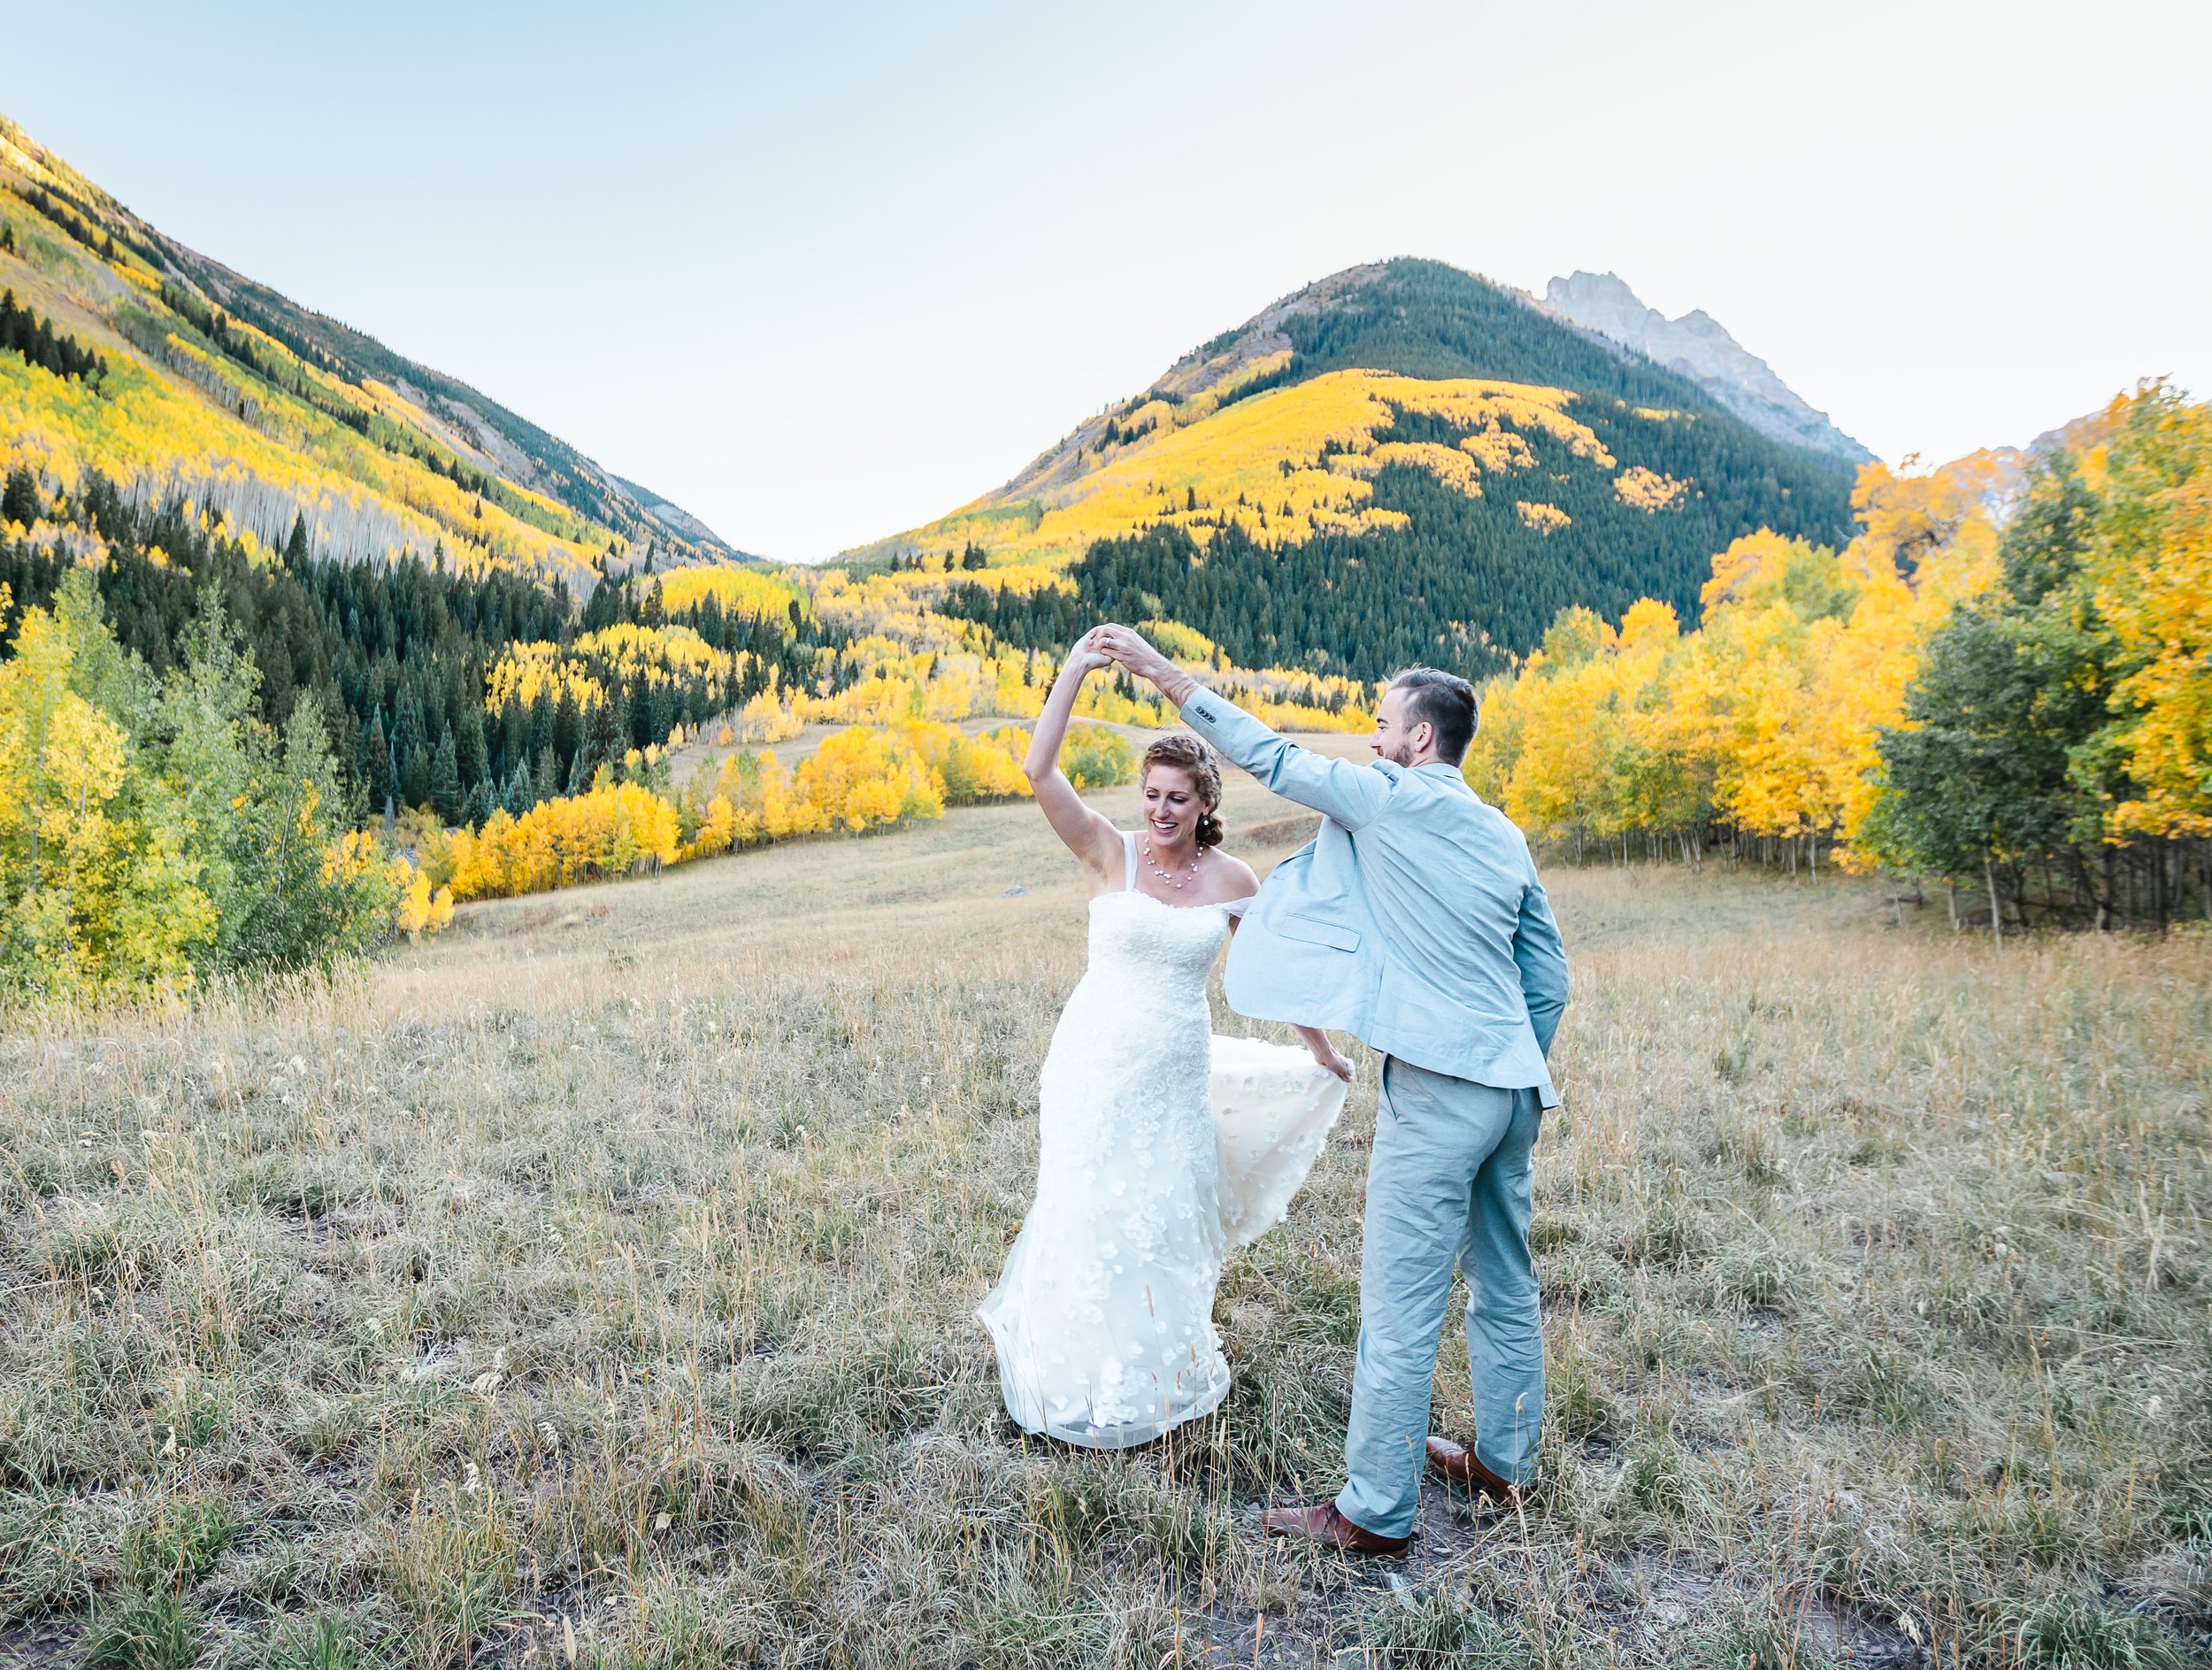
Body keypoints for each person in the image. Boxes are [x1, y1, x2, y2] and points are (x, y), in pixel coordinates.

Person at [1094, 623, 1570, 1554]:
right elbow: (1545, 975)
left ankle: (1374, 1511)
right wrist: (1513, 1058)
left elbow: (1268, 754)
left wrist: (1158, 672)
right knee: (1506, 1283)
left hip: (1439, 1092)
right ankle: (1506, 1462)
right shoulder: (1502, 832)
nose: (1373, 737)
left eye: (1384, 723)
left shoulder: (1388, 799)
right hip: (1512, 1087)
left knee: (1400, 1303)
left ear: (1420, 739)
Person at [977, 627, 1354, 1450]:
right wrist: (1074, 669)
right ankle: (1076, 1371)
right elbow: (1039, 772)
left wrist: (1319, 1049)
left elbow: (1276, 969)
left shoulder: (1233, 882)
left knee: (1164, 1208)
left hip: (1175, 1065)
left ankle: (1154, 1366)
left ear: (1205, 803)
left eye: (1177, 797)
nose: (1159, 811)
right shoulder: (1108, 856)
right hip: (1093, 1061)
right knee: (1090, 1204)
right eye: (1151, 794)